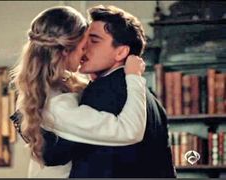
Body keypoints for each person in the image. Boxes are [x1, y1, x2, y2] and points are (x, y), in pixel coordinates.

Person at [10, 6, 147, 178]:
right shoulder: (57, 107)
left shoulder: (47, 88)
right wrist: (134, 76)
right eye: (83, 47)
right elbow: (129, 131)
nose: (86, 52)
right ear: (66, 51)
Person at [41, 5, 176, 178]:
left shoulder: (100, 91)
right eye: (84, 39)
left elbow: (55, 155)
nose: (83, 47)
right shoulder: (152, 100)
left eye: (94, 40)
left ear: (121, 52)